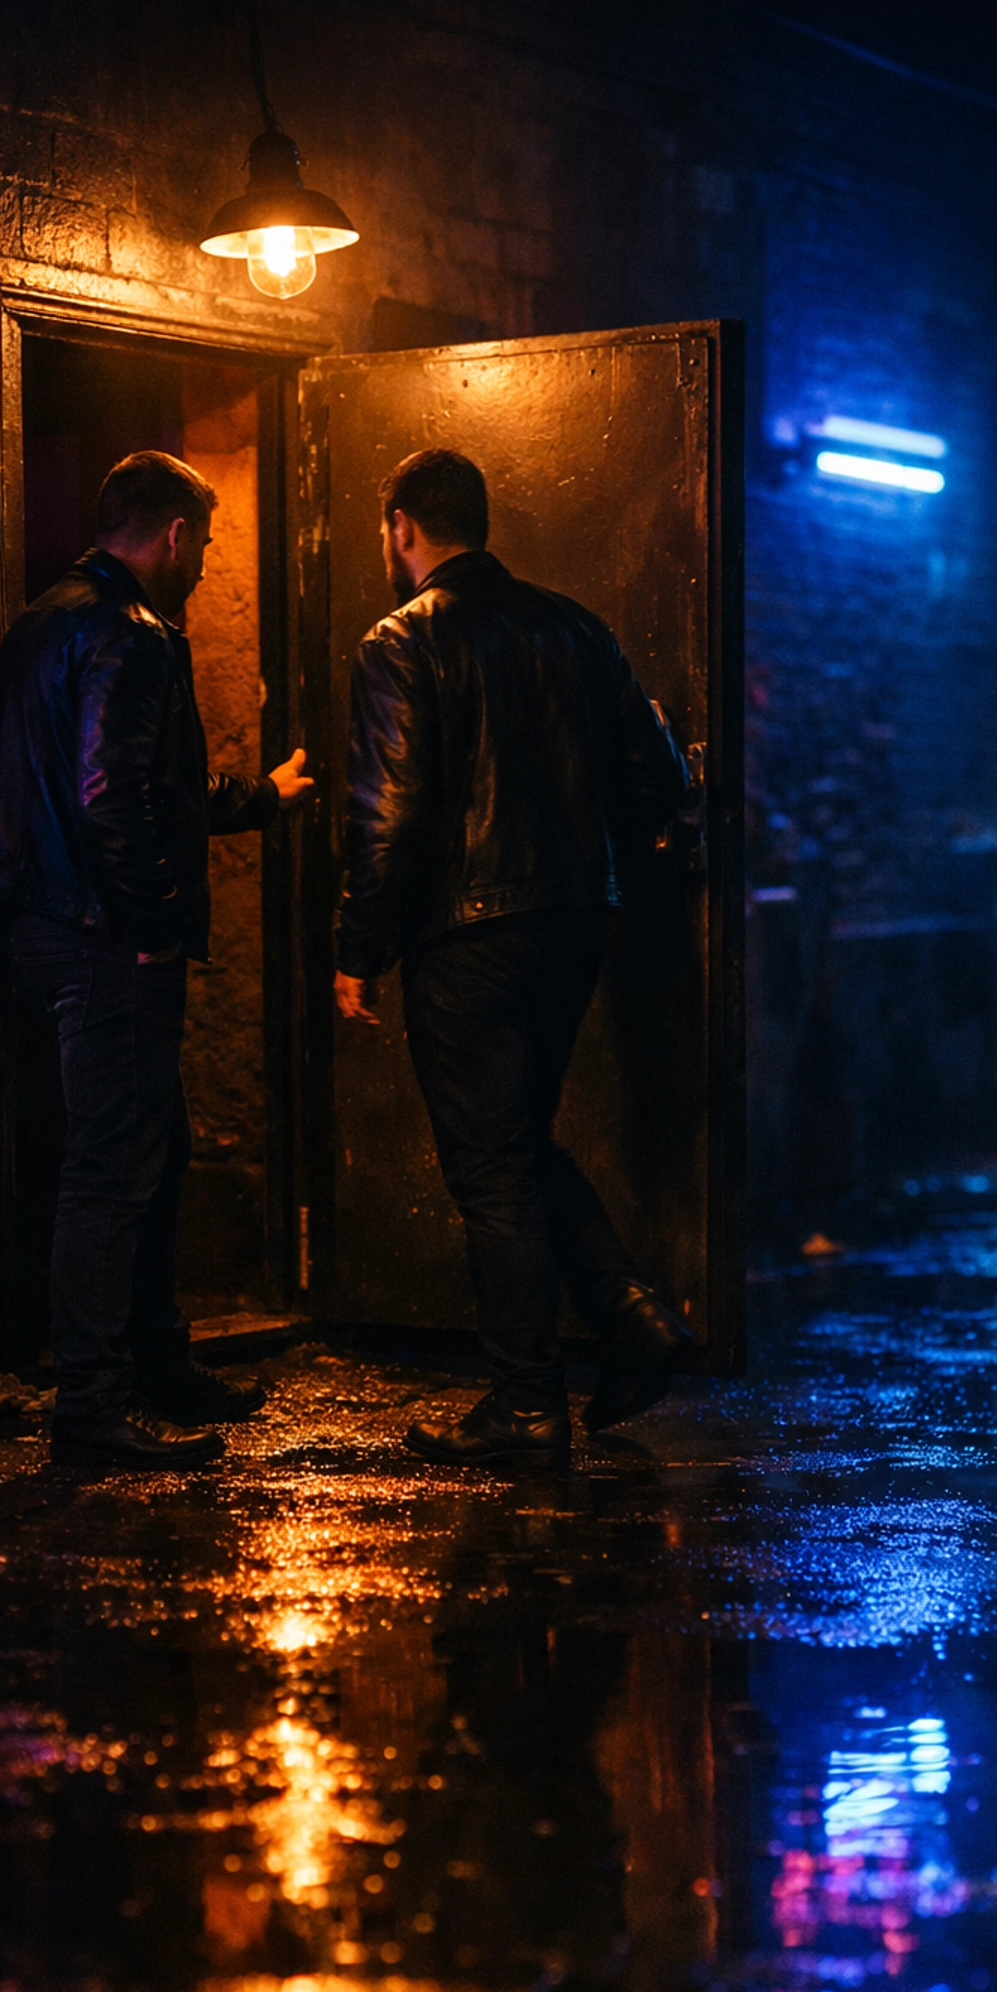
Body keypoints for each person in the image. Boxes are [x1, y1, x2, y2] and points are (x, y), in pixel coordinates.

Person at [334, 448, 695, 1466]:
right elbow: (659, 780)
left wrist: (360, 946)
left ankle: (527, 1406)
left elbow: (389, 816)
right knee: (519, 1145)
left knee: (490, 1168)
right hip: (577, 922)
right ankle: (631, 1319)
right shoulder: (577, 628)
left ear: (402, 526)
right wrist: (589, 858)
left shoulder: (400, 642)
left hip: (469, 933)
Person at [0, 449, 312, 1469]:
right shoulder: (132, 635)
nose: (205, 563)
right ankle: (93, 1407)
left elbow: (128, 786)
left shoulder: (47, 617)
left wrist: (255, 799)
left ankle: (158, 1369)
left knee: (149, 1152)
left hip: (47, 922)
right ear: (172, 536)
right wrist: (156, 921)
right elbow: (114, 799)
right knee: (114, 1167)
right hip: (104, 935)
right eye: (202, 542)